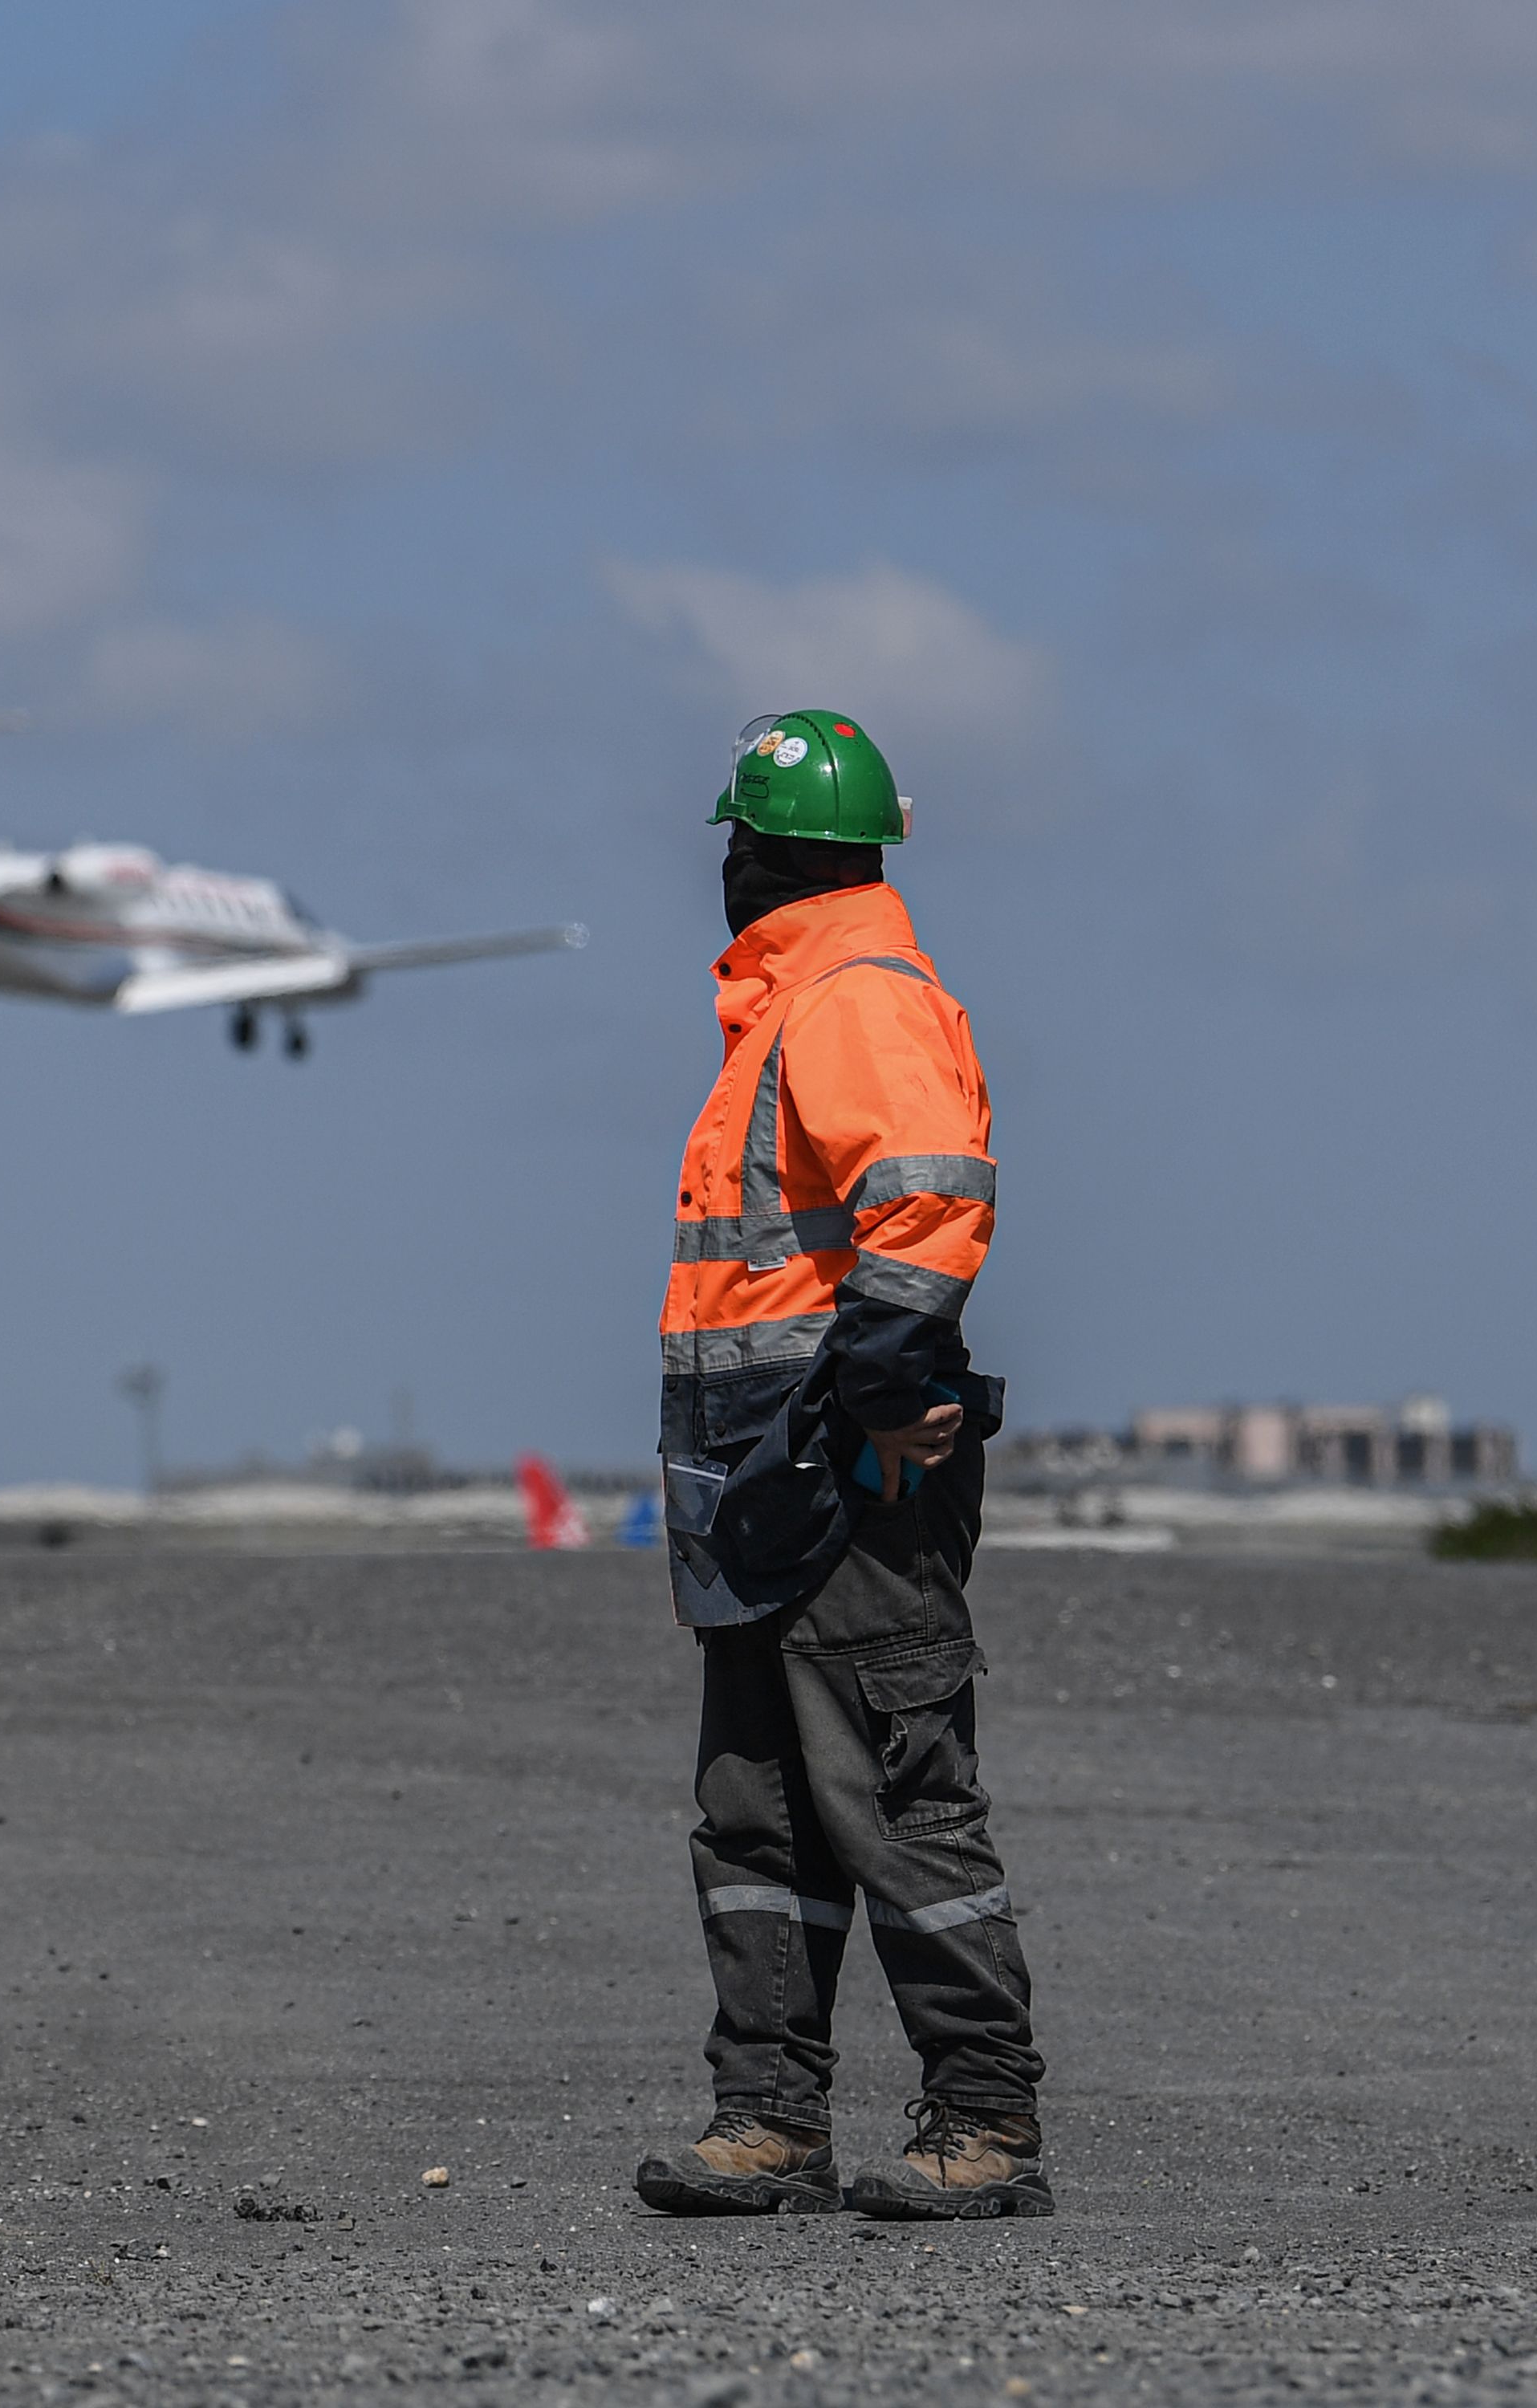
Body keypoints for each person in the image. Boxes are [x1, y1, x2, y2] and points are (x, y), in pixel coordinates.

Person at [632, 711, 1050, 2221]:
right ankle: (768, 2120)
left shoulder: (854, 999)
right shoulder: (789, 1006)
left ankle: (986, 2122)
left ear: (761, 851)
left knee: (896, 1799)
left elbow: (926, 1203)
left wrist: (879, 1396)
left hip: (848, 1468)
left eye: (740, 844)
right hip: (764, 1477)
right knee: (758, 1814)